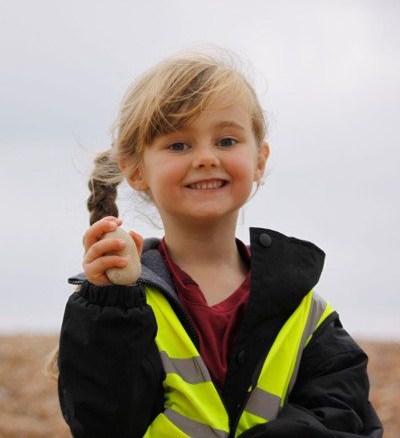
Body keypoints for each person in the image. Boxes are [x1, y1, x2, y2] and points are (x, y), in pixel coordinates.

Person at [55, 48, 383, 438]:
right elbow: (103, 421)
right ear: (136, 171)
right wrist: (111, 305)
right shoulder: (117, 300)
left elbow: (344, 413)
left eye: (227, 140)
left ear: (259, 159)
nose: (206, 158)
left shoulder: (306, 312)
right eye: (179, 145)